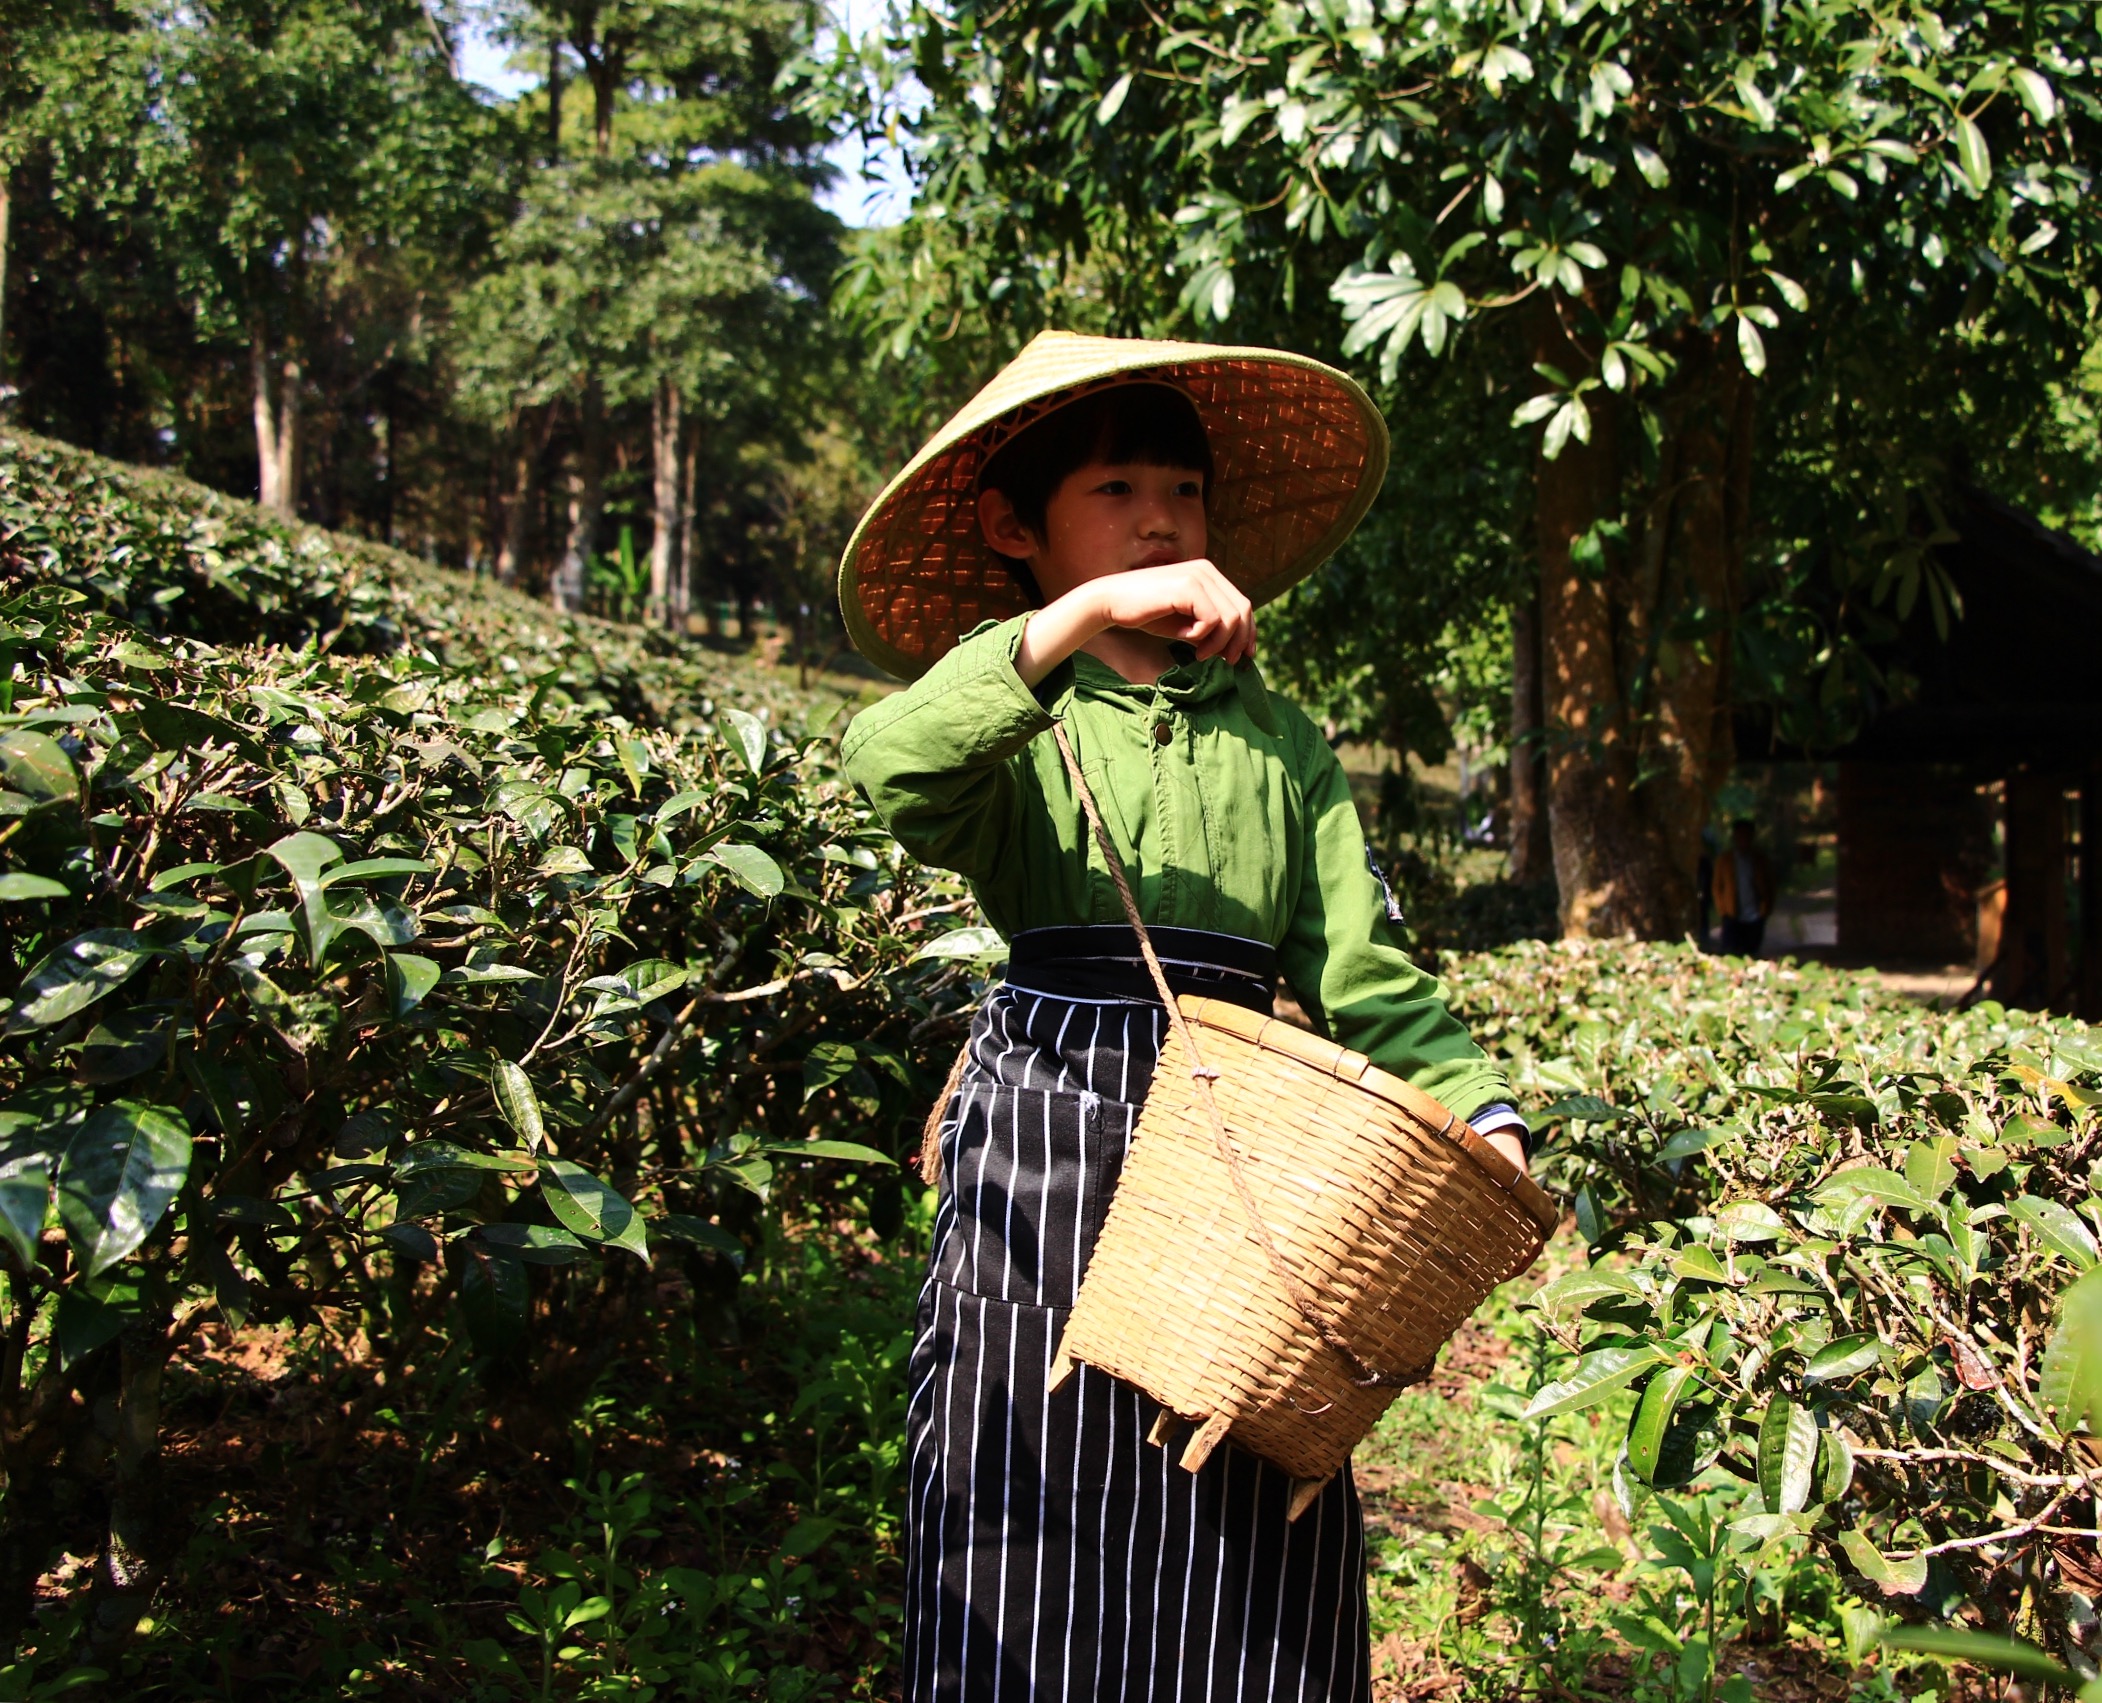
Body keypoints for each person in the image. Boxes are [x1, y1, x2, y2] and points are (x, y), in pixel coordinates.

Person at [838, 331, 1529, 1702]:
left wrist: (1482, 1113)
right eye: (1115, 491)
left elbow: (1364, 970)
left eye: (1183, 491)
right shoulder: (1017, 714)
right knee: (1025, 1494)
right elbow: (892, 770)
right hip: (1037, 1166)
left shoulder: (1281, 742)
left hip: (1240, 1162)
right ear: (1015, 530)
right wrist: (1083, 618)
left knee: (1240, 1495)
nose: (1159, 518)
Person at [1712, 817, 1775, 956]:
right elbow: (1717, 887)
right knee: (1730, 953)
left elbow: (1770, 886)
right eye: (1740, 835)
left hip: (1755, 917)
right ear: (1734, 837)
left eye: (1747, 835)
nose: (1743, 839)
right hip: (1732, 916)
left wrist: (1765, 910)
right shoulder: (1725, 860)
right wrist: (1723, 910)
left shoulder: (1760, 860)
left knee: (1752, 954)